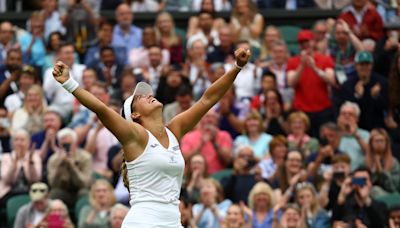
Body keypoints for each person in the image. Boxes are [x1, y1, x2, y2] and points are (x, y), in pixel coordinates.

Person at [51, 47, 251, 227]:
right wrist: (69, 83)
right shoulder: (134, 135)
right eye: (140, 98)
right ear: (135, 115)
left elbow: (207, 99)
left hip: (173, 222)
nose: (147, 95)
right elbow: (101, 109)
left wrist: (236, 67)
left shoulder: (174, 130)